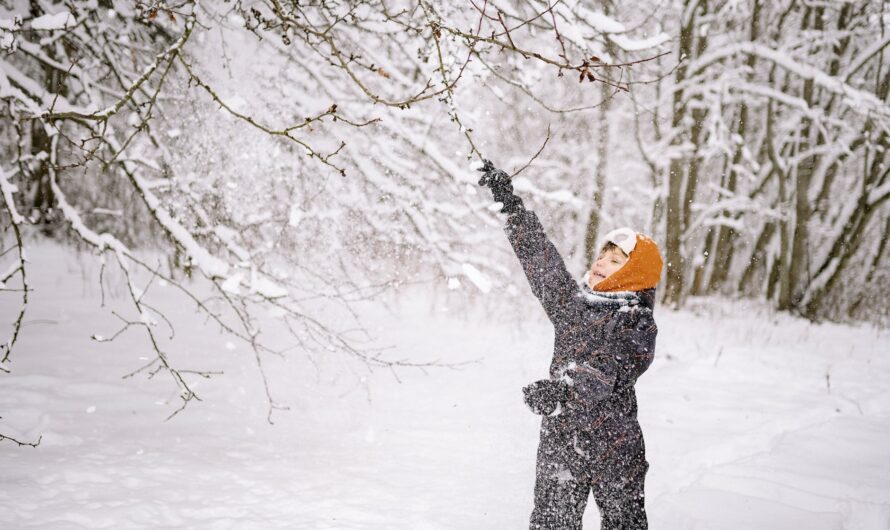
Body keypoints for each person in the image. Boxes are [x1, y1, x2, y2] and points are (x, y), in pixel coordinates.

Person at [477, 160, 663, 530]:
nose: (599, 264)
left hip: (616, 449)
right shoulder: (575, 307)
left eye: (614, 261)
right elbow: (544, 265)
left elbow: (610, 368)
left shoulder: (636, 321)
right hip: (562, 442)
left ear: (635, 272)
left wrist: (566, 391)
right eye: (601, 256)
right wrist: (514, 211)